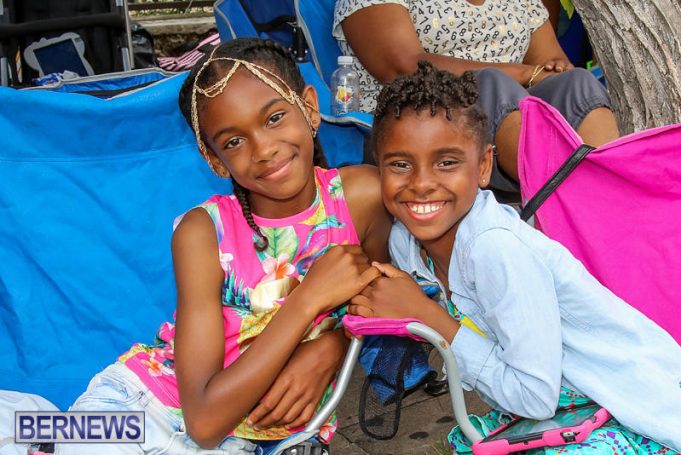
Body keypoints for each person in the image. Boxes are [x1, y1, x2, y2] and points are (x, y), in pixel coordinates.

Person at [54, 38, 392, 454]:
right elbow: (205, 423)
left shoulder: (362, 198)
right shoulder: (202, 233)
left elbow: (381, 298)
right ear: (214, 160)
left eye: (274, 118)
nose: (263, 149)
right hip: (153, 407)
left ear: (309, 107)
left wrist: (333, 346)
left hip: (268, 438)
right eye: (233, 142)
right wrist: (307, 300)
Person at [347, 61, 681, 453]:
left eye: (447, 162)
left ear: (484, 165)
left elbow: (534, 398)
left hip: (634, 405)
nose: (421, 184)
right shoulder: (406, 242)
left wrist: (427, 314)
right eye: (400, 165)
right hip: (565, 410)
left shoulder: (495, 249)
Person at [333, 0, 620, 192]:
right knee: (491, 83)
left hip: (519, 114)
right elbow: (402, 65)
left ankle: (614, 192)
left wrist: (552, 70)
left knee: (577, 83)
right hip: (421, 118)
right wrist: (521, 74)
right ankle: (563, 199)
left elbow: (552, 65)